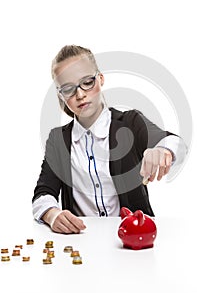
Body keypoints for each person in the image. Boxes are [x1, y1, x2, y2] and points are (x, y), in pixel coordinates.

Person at [32, 45, 187, 234]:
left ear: (100, 78)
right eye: (68, 89)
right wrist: (52, 214)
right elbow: (43, 194)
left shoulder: (130, 122)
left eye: (87, 82)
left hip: (135, 239)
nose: (80, 94)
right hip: (81, 241)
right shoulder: (58, 140)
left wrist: (164, 151)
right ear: (61, 95)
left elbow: (176, 143)